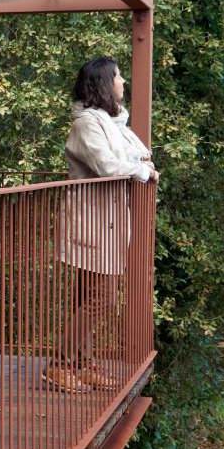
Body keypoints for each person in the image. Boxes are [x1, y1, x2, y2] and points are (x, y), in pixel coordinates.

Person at [45, 56, 155, 392]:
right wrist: (138, 170)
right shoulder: (86, 125)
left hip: (106, 224)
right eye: (118, 77)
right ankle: (59, 364)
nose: (123, 83)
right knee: (101, 298)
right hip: (90, 225)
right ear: (103, 84)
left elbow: (142, 154)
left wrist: (137, 162)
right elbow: (109, 165)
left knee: (86, 296)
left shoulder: (110, 121)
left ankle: (81, 363)